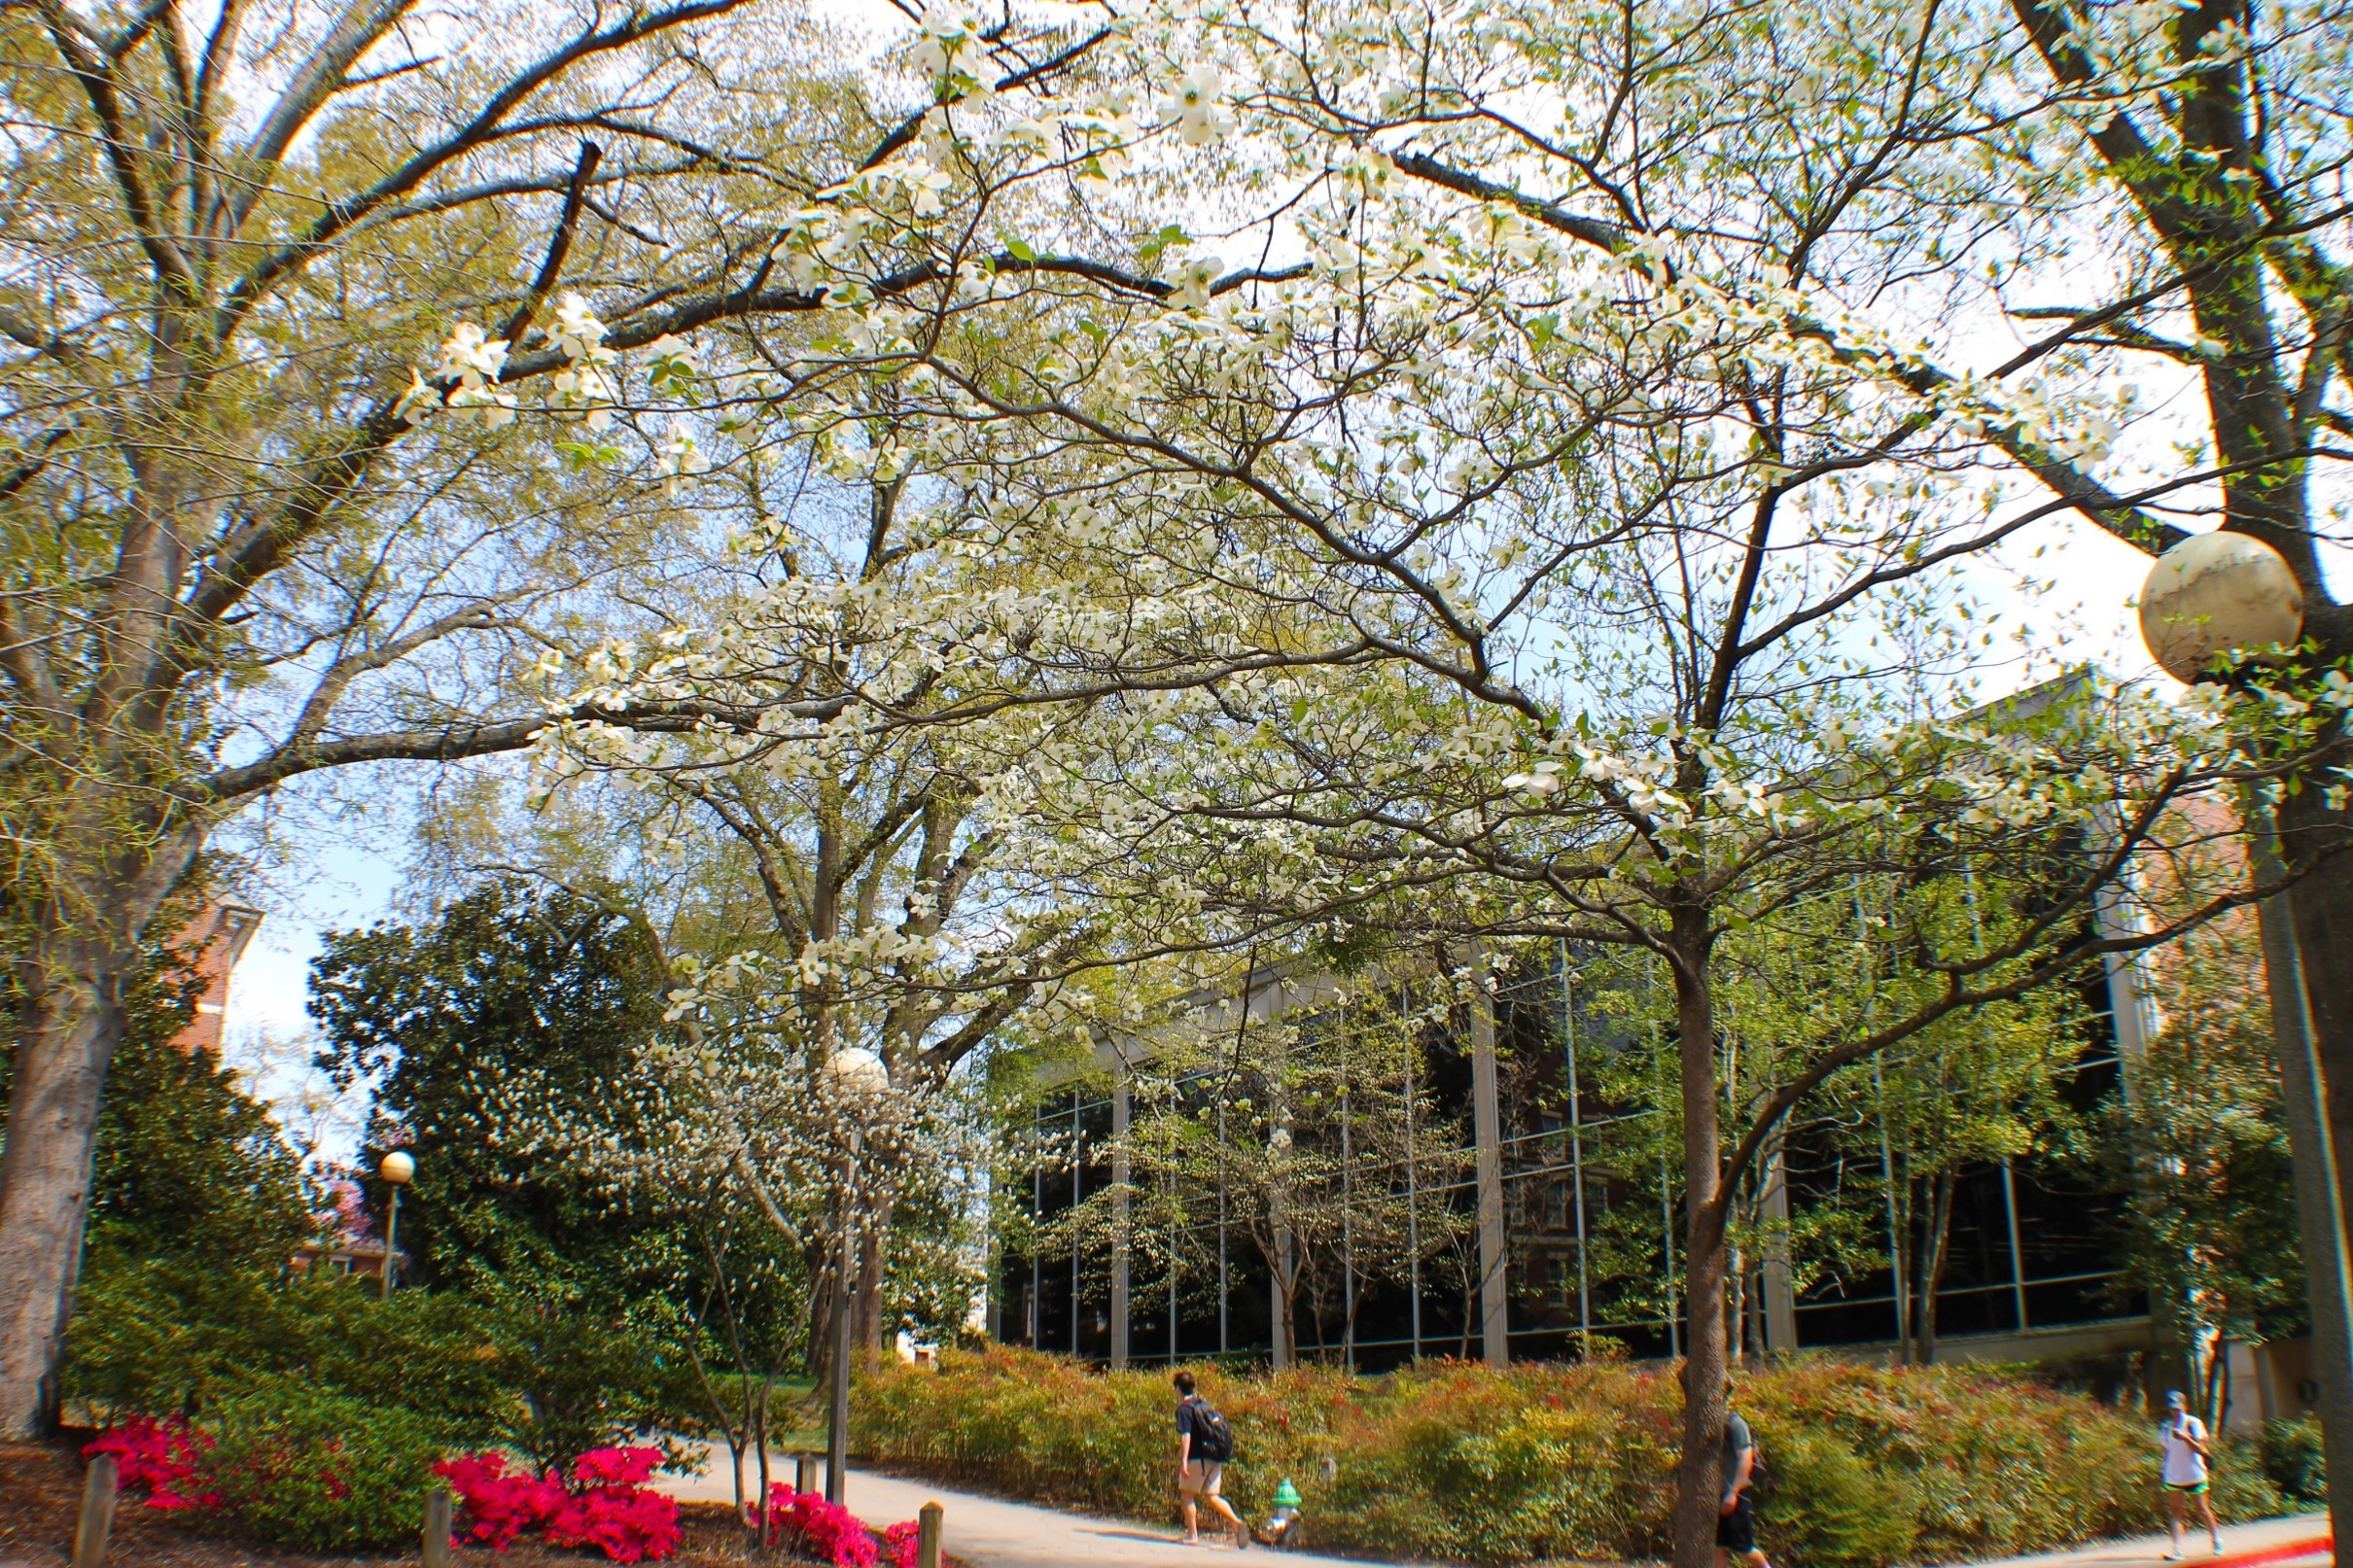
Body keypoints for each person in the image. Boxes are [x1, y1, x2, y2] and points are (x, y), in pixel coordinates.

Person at [1174, 1369, 1248, 1550]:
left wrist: (1183, 1461)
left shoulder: (1184, 1409)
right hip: (1216, 1456)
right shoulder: (1203, 1404)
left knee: (1187, 1495)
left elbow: (1186, 1436)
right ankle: (1237, 1523)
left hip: (1198, 1458)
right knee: (1212, 1497)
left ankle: (1192, 1535)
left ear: (1177, 1388)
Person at [2160, 1389, 2224, 1560]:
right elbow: (2166, 1451)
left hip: (2194, 1474)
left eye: (2178, 1408)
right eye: (2172, 1408)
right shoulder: (2165, 1427)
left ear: (2184, 1406)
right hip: (2174, 1475)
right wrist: (2163, 1470)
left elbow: (2201, 1449)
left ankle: (2216, 1540)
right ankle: (2177, 1549)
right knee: (2176, 1511)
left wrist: (2185, 1437)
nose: (2175, 1411)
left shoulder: (2193, 1423)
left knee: (2202, 1509)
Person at [1718, 1395, 1773, 1568]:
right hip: (1716, 1495)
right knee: (1715, 1546)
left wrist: (1733, 1493)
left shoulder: (1735, 1424)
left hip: (1736, 1494)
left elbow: (1746, 1459)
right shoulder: (1704, 1425)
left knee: (1744, 1549)